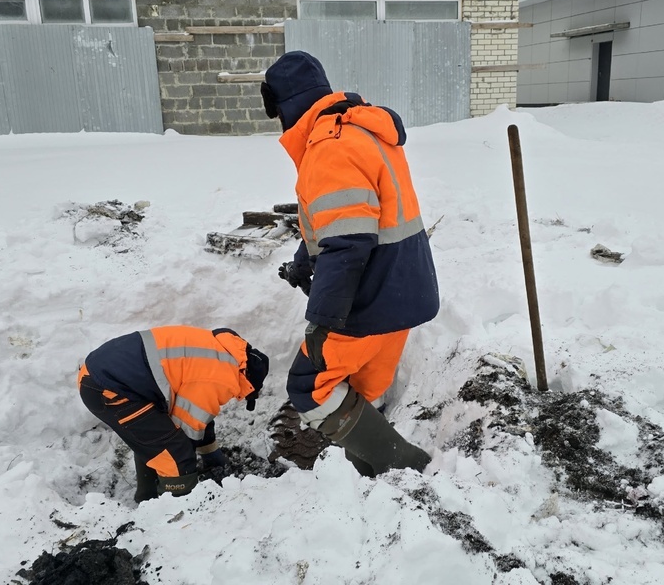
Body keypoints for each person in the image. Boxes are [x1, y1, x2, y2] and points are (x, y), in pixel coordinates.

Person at [261, 50, 439, 477]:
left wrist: (322, 321)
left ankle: (409, 466)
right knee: (360, 389)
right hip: (405, 290)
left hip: (371, 299)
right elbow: (351, 220)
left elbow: (348, 243)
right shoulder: (362, 129)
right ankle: (369, 476)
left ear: (284, 108)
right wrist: (305, 259)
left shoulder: (329, 147)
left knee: (309, 387)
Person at [77, 325, 269, 503]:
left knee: (156, 435)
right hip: (109, 388)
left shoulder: (221, 352)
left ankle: (148, 497)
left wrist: (210, 452)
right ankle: (176, 510)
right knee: (175, 452)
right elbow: (186, 426)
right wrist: (190, 469)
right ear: (248, 382)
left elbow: (198, 411)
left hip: (106, 373)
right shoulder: (224, 378)